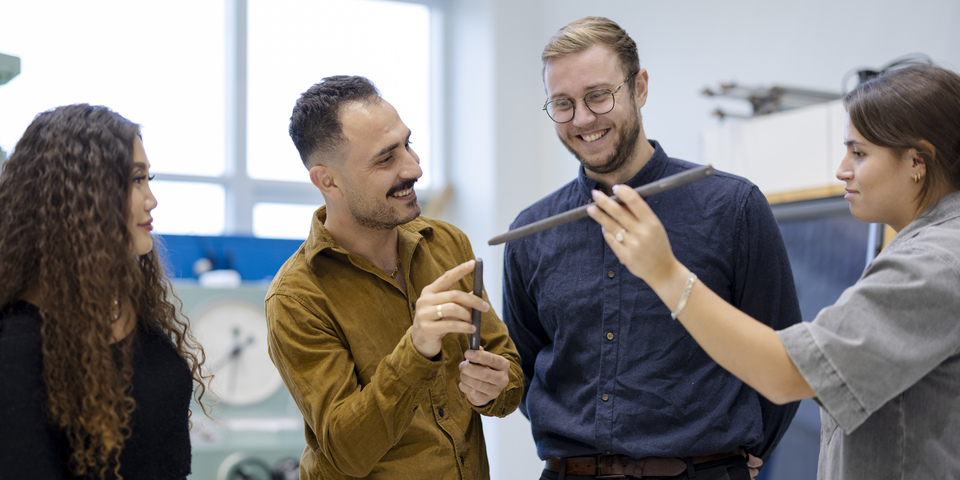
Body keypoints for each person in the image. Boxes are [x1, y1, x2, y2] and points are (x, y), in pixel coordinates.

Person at [588, 62, 960, 480]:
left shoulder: (934, 264)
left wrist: (665, 273)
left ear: (917, 161)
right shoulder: (923, 250)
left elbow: (786, 374)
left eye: (859, 152)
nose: (842, 169)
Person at [502, 17, 802, 480]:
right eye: (563, 103)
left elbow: (784, 350)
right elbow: (525, 370)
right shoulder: (530, 232)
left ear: (639, 88)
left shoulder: (733, 208)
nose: (582, 119)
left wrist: (744, 452)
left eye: (599, 95)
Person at [264, 75, 523, 480]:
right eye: (386, 159)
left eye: (408, 143)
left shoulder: (447, 243)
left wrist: (495, 389)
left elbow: (508, 374)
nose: (414, 167)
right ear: (327, 181)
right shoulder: (296, 298)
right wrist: (416, 350)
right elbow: (348, 451)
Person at [0, 104, 207, 479]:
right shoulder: (18, 348)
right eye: (136, 180)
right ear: (82, 194)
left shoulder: (132, 309)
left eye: (148, 179)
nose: (152, 199)